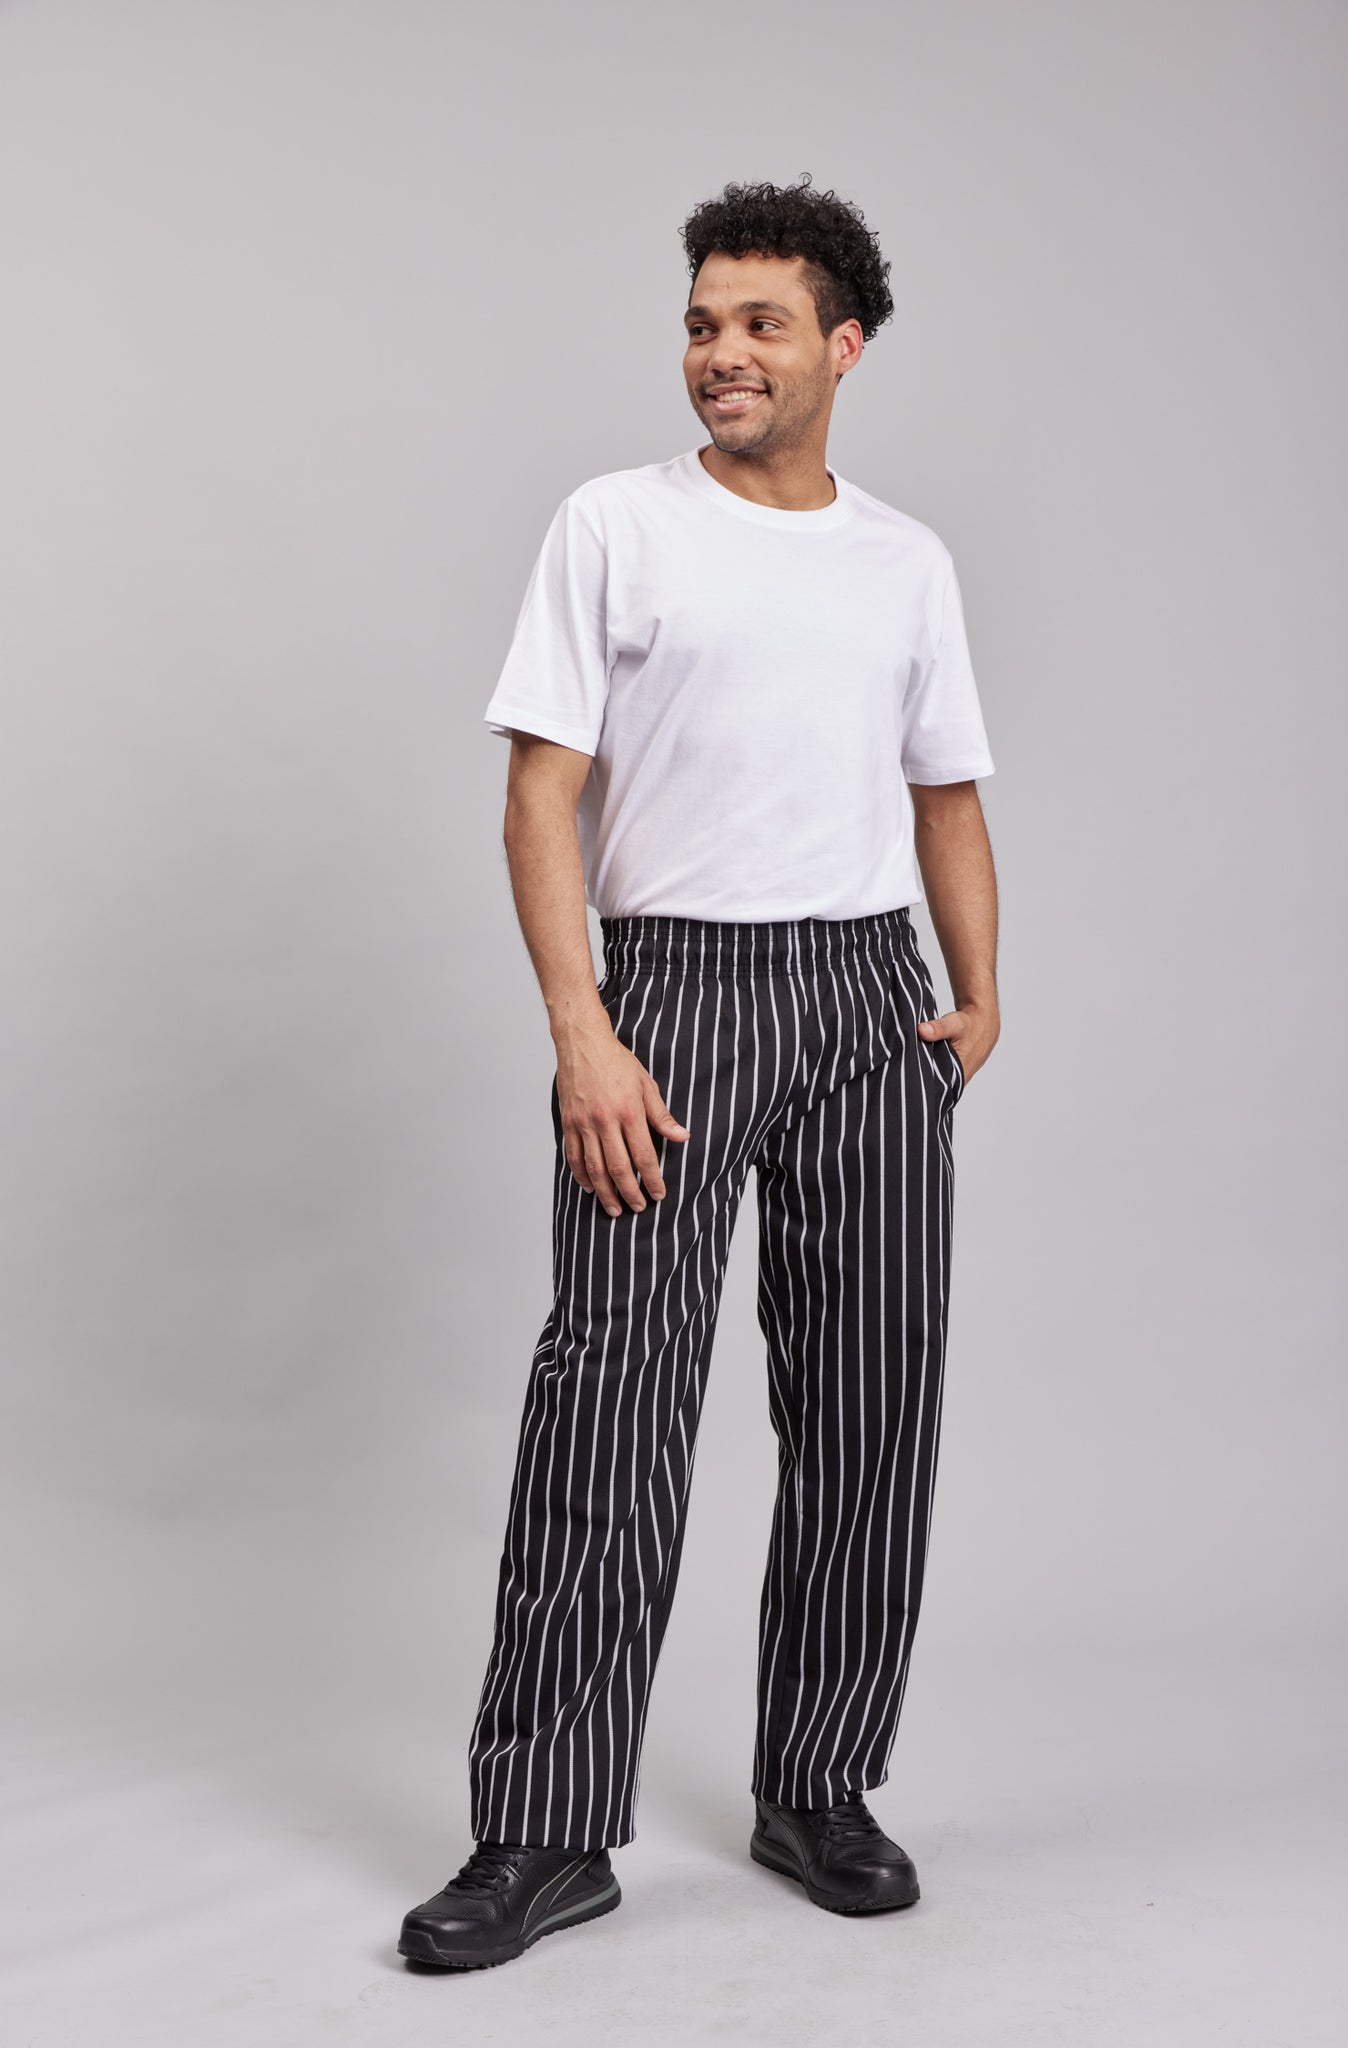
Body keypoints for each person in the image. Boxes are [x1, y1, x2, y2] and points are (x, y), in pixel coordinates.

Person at [398, 173, 1000, 1972]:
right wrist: (582, 1027)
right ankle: (543, 1829)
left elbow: (945, 791)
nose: (717, 353)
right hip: (669, 996)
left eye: (757, 324)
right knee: (611, 1405)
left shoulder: (904, 559)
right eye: (697, 323)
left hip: (867, 1000)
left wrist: (979, 994)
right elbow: (540, 794)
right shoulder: (616, 525)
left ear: (842, 346)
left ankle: (818, 1787)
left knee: (871, 1409)